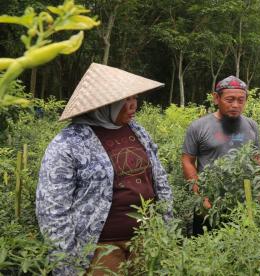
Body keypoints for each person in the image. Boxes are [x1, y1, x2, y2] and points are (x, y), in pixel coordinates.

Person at [36, 63, 173, 275]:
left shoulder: (137, 131)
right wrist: (67, 261)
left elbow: (159, 179)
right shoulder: (68, 143)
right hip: (99, 248)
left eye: (135, 97)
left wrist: (166, 224)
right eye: (126, 99)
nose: (133, 105)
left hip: (147, 240)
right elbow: (52, 208)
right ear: (104, 104)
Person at [182, 75, 260, 235]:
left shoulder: (252, 125)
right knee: (204, 248)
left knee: (243, 247)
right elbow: (188, 161)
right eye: (230, 100)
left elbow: (257, 158)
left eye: (241, 100)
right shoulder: (199, 126)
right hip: (209, 200)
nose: (236, 105)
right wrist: (200, 196)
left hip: (243, 202)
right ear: (216, 98)